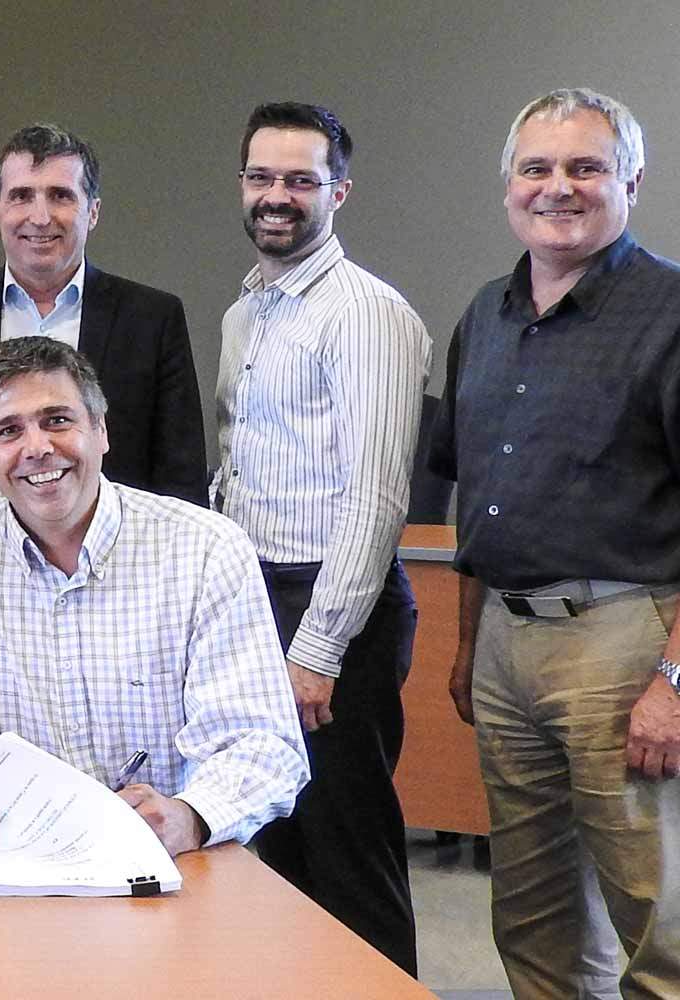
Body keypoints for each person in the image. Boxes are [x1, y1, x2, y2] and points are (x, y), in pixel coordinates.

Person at [429, 88, 680, 998]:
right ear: (509, 186)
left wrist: (675, 682)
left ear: (632, 181)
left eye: (586, 167)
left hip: (625, 641)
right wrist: (465, 648)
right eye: (537, 167)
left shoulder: (670, 310)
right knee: (531, 917)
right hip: (505, 639)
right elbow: (476, 498)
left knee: (659, 922)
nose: (559, 187)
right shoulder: (485, 318)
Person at [0, 337, 306, 857]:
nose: (37, 447)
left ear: (101, 431)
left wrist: (192, 814)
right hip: (7, 858)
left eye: (58, 420)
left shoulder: (206, 548)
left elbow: (261, 743)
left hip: (174, 867)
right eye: (9, 431)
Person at [214, 102, 431, 974]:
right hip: (257, 598)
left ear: (338, 190)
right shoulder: (248, 310)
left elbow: (377, 498)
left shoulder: (364, 312)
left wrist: (318, 649)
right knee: (282, 852)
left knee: (350, 853)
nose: (279, 196)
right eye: (263, 177)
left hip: (332, 609)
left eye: (301, 180)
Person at [0, 123, 206, 506]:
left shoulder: (152, 319)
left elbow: (181, 476)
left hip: (119, 557)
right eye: (21, 196)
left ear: (93, 211)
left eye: (60, 196)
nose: (40, 216)